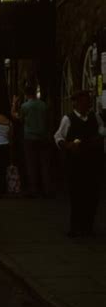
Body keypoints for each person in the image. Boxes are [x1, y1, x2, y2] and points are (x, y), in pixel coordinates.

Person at [54, 90, 105, 238]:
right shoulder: (68, 119)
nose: (86, 105)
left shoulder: (94, 117)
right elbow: (58, 136)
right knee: (77, 195)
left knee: (92, 196)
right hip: (75, 164)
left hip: (93, 162)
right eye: (83, 102)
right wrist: (67, 145)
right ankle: (76, 227)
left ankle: (88, 227)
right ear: (75, 103)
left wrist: (99, 137)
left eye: (87, 102)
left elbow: (102, 129)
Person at [12, 85, 51, 197]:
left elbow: (18, 118)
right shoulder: (43, 105)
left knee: (31, 163)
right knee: (44, 164)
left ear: (26, 94)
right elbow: (48, 121)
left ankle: (34, 188)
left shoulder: (25, 106)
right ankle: (46, 188)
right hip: (43, 137)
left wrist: (14, 104)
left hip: (29, 137)